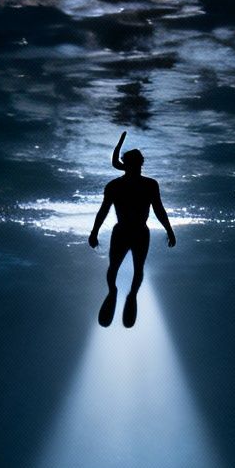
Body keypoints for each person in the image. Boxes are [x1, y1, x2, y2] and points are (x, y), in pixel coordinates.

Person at [88, 131, 175, 328]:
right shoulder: (126, 185)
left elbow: (159, 209)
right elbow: (103, 210)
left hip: (133, 232)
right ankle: (117, 293)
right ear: (138, 163)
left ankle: (127, 294)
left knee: (130, 268)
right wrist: (93, 232)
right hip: (130, 232)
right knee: (119, 268)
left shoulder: (138, 185)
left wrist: (170, 230)